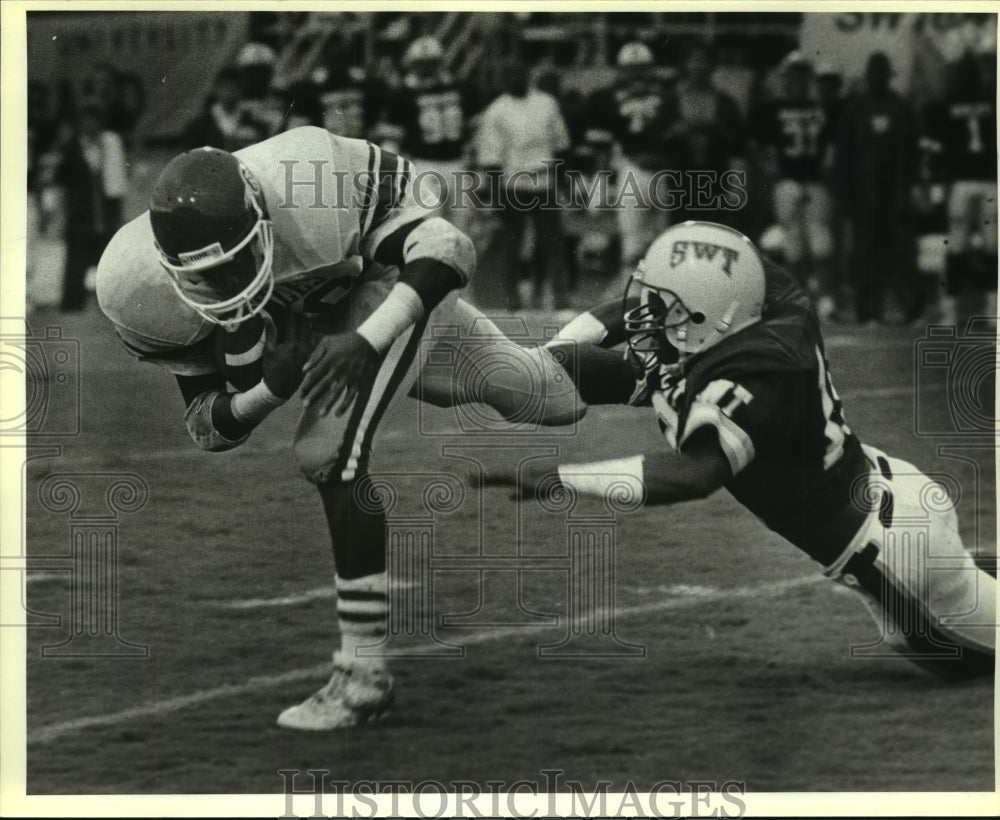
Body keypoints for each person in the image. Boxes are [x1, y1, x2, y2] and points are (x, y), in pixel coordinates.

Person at [96, 126, 583, 731]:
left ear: (263, 220)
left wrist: (363, 341)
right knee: (550, 394)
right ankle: (659, 359)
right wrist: (272, 388)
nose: (228, 285)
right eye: (208, 277)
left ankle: (362, 677)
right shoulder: (133, 286)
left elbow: (449, 249)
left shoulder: (314, 181)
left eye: (238, 260)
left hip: (380, 288)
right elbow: (208, 428)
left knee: (327, 450)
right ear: (168, 266)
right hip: (326, 319)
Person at [478, 220, 996, 678]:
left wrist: (559, 478)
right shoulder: (762, 295)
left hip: (893, 554)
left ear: (710, 317)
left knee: (955, 661)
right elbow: (628, 312)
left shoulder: (759, 372)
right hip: (888, 493)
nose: (648, 314)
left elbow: (694, 474)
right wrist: (541, 361)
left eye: (667, 308)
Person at [475, 58, 572, 311]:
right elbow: (490, 158)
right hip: (513, 184)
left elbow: (561, 146)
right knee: (512, 245)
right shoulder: (496, 110)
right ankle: (512, 300)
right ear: (503, 79)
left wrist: (563, 185)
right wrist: (496, 197)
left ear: (527, 74)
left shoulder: (547, 103)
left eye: (518, 73)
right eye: (509, 75)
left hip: (544, 181)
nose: (514, 79)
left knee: (553, 242)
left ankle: (559, 298)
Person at [835, 52, 921, 325]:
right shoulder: (855, 110)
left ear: (888, 75)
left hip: (895, 195)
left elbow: (912, 153)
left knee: (898, 254)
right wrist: (846, 194)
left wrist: (910, 189)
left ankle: (904, 308)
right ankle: (867, 308)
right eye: (874, 72)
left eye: (882, 72)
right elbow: (844, 155)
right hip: (864, 195)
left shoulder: (901, 108)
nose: (878, 77)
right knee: (865, 254)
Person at [749, 52, 837, 319]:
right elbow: (756, 144)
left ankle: (825, 299)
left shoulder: (822, 107)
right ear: (785, 77)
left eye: (802, 74)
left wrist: (830, 164)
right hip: (787, 181)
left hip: (815, 180)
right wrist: (768, 169)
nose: (797, 80)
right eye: (793, 74)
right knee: (794, 245)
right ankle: (800, 299)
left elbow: (832, 144)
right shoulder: (772, 109)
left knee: (822, 244)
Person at [922, 50, 997, 324]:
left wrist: (936, 186)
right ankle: (993, 309)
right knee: (992, 247)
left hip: (962, 182)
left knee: (956, 246)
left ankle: (951, 310)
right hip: (989, 181)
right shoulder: (991, 101)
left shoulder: (945, 104)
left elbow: (935, 149)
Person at [56, 104, 128, 312]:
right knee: (76, 264)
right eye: (86, 120)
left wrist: (117, 213)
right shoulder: (72, 149)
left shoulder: (111, 145)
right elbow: (62, 184)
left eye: (94, 120)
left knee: (108, 263)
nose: (90, 124)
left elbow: (117, 183)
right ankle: (72, 308)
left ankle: (111, 307)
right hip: (80, 215)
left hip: (105, 213)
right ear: (80, 124)